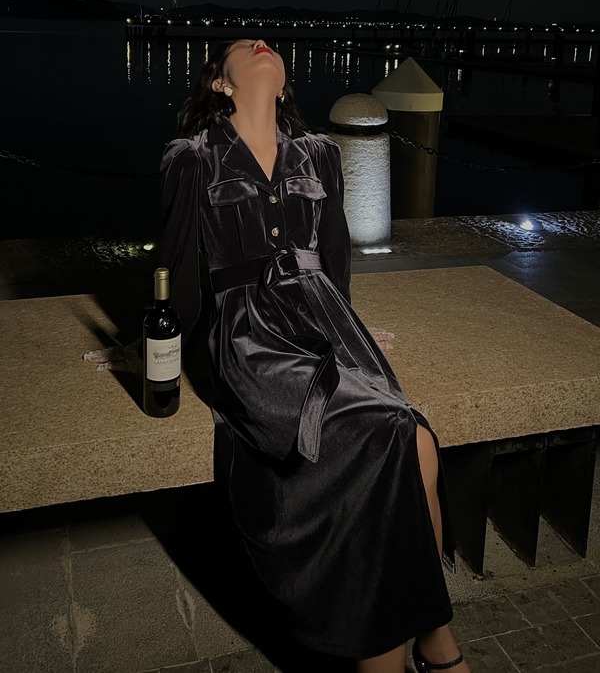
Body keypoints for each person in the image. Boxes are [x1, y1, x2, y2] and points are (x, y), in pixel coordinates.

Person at [90, 38, 470, 673]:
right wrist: (151, 347)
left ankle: (432, 640)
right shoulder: (195, 158)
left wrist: (349, 326)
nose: (258, 44)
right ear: (221, 84)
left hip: (325, 320)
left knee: (418, 443)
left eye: (265, 44)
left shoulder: (319, 153)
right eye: (242, 47)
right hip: (249, 334)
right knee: (385, 436)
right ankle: (419, 654)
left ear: (285, 83)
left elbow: (336, 257)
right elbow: (179, 267)